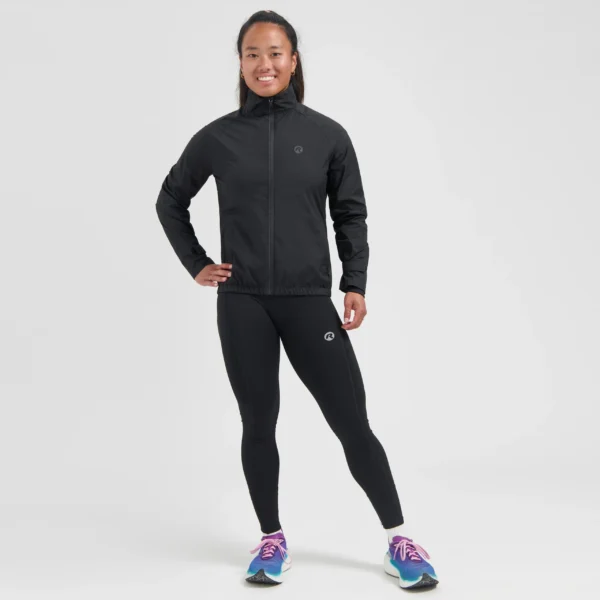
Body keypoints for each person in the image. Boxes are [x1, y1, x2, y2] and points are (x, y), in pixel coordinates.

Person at [155, 9, 439, 590]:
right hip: (243, 303)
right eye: (252, 54)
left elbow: (350, 214)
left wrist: (354, 282)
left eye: (275, 53)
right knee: (258, 422)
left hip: (309, 301)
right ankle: (271, 539)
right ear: (240, 63)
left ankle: (399, 538)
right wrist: (197, 262)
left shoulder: (328, 135)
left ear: (293, 60)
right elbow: (170, 199)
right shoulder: (217, 138)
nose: (264, 64)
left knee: (352, 422)